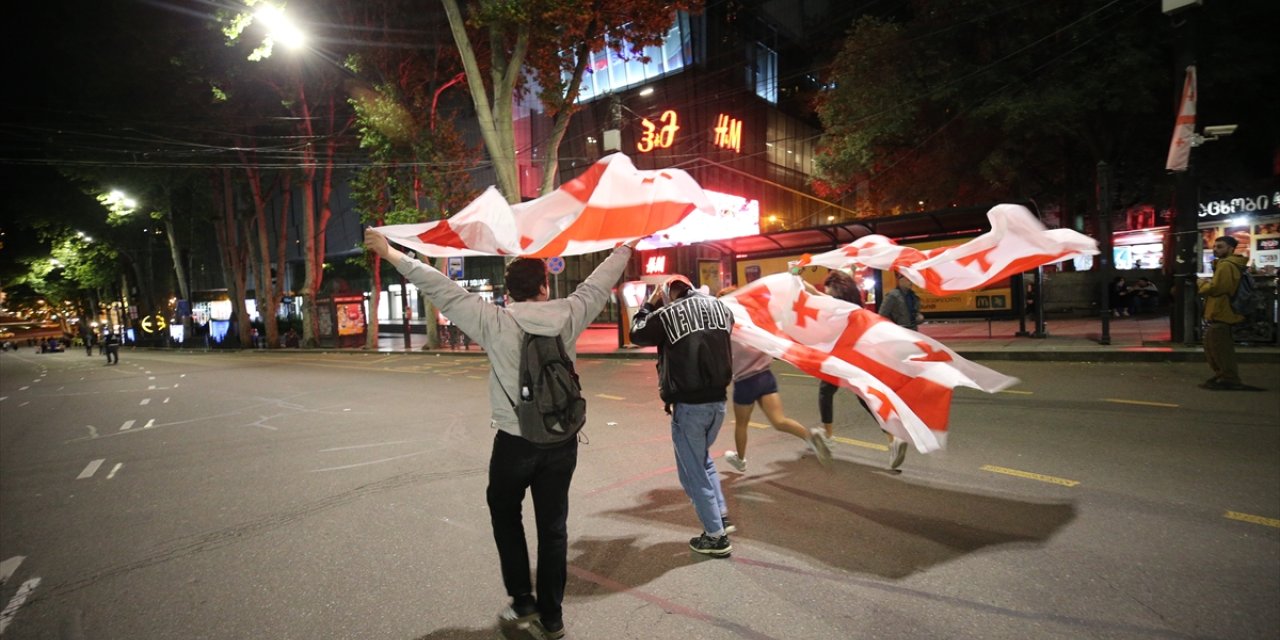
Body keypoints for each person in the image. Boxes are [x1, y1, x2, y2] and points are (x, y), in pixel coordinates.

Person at [365, 228, 632, 640]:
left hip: (514, 442)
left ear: (509, 292)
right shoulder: (571, 313)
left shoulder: (493, 320)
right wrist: (625, 244)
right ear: (546, 286)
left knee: (504, 510)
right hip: (562, 440)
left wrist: (394, 255)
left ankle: (522, 599)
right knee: (554, 527)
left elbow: (443, 289)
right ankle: (553, 618)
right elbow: (599, 281)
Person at [629, 275, 736, 558]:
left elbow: (637, 332)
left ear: (666, 294)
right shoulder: (721, 307)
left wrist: (649, 305)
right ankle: (721, 514)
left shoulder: (665, 313)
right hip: (719, 402)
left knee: (693, 472)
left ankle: (716, 536)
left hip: (690, 406)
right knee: (703, 460)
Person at [717, 287, 831, 474]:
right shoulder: (754, 322)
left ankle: (740, 459)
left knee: (742, 424)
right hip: (765, 376)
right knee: (779, 420)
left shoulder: (726, 328)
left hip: (745, 382)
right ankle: (810, 437)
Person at [816, 270, 910, 470]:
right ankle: (893, 439)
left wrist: (795, 276)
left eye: (829, 290)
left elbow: (816, 298)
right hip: (858, 356)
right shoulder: (855, 305)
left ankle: (828, 438)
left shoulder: (837, 304)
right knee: (864, 397)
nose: (827, 293)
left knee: (826, 391)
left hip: (841, 357)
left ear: (836, 290)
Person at [1197, 236, 1252, 391]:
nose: (1215, 249)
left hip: (1222, 312)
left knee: (1220, 348)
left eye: (1220, 246)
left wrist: (1200, 283)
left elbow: (1217, 288)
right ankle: (1222, 375)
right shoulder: (1224, 264)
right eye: (1215, 246)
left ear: (1230, 249)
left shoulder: (1227, 265)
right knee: (1212, 346)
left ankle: (1229, 378)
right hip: (1219, 312)